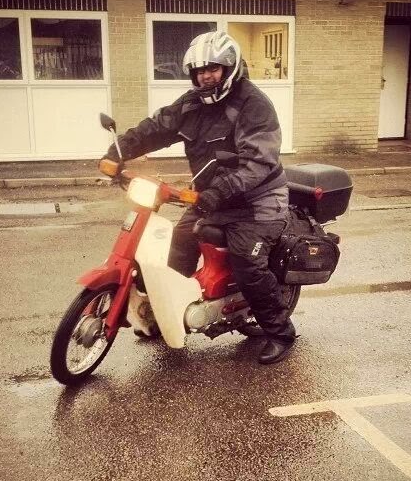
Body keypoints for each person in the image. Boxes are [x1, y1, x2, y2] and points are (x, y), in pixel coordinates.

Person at [100, 30, 296, 364]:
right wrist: (119, 151)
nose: (205, 76)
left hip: (257, 200)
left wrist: (220, 190)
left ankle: (280, 332)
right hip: (211, 197)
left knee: (246, 263)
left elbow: (258, 162)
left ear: (229, 68)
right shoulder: (191, 104)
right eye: (199, 70)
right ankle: (168, 315)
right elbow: (158, 127)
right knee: (178, 246)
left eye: (213, 68)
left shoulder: (253, 104)